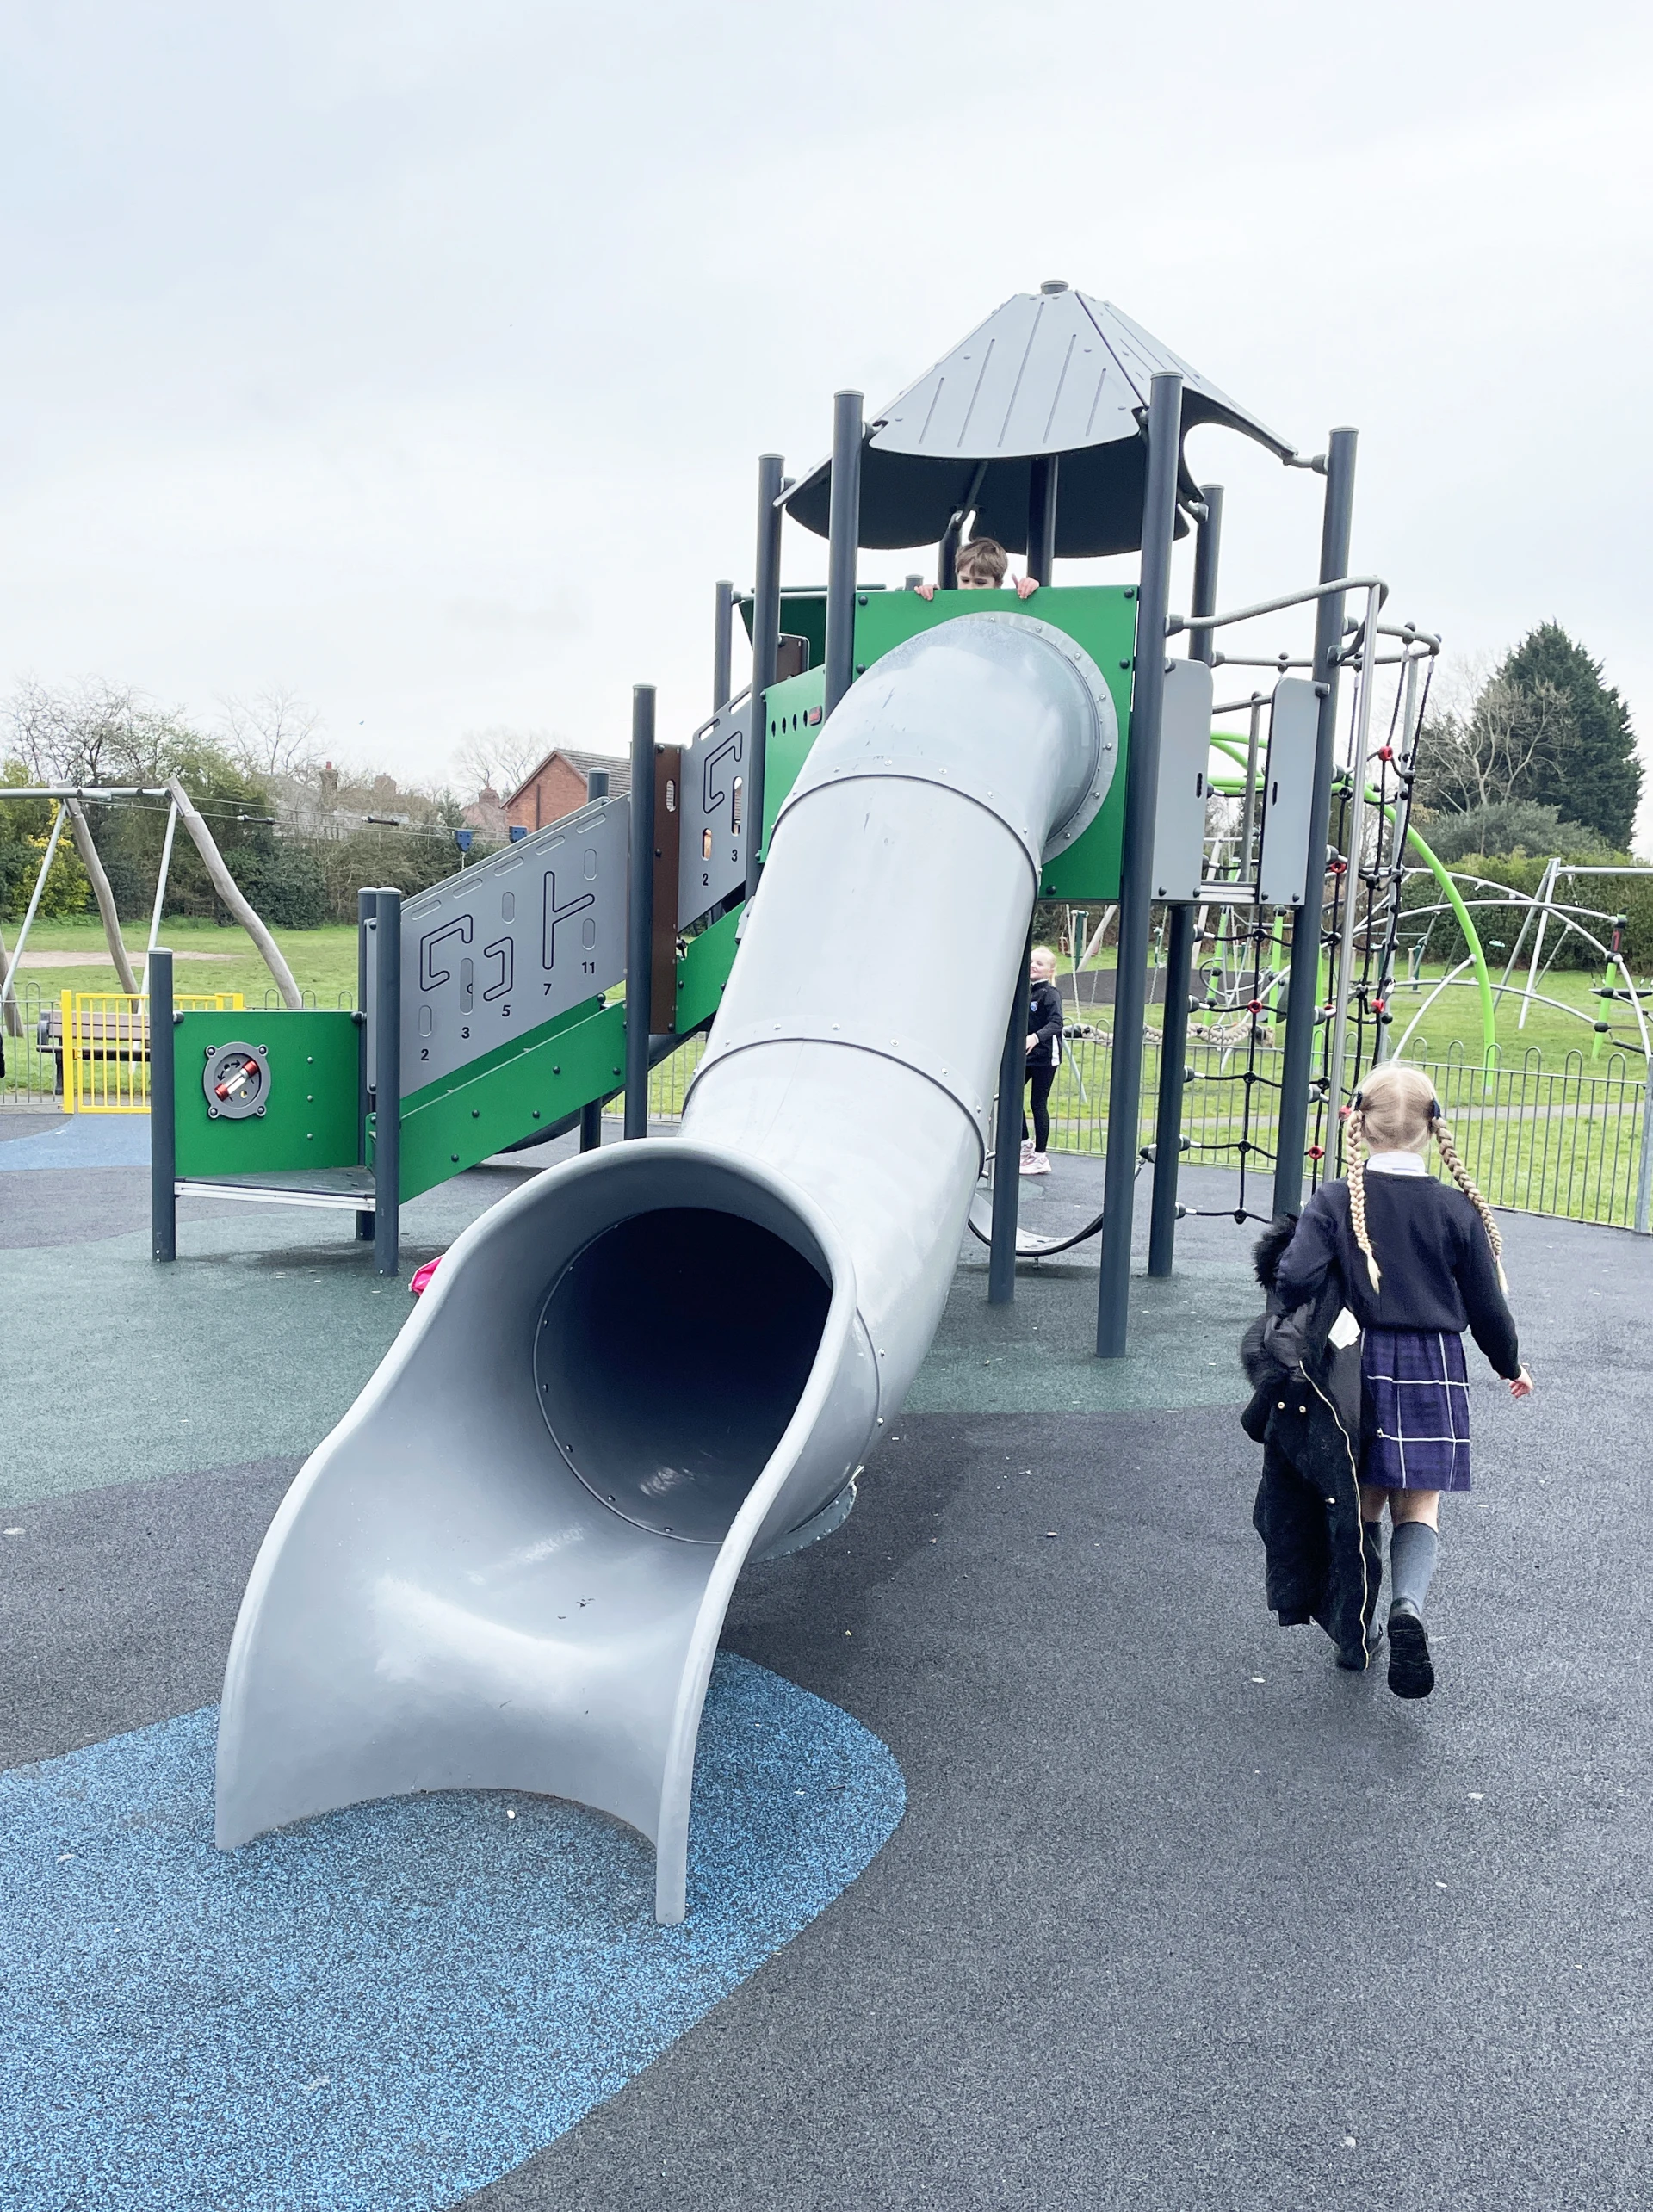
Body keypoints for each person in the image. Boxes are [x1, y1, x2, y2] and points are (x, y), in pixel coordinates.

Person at [1269, 1060, 1533, 1700]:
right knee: (1420, 1504)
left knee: (1360, 1500)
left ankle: (1356, 1634)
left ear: (1359, 1123)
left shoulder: (1333, 1199)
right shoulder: (1454, 1207)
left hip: (1355, 1364)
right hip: (1434, 1367)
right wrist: (1510, 1364)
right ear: (1429, 1129)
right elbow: (1487, 1308)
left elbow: (1292, 1279)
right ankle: (1407, 1606)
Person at [1020, 945, 1063, 1176]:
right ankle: (1025, 1144)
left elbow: (1057, 1023)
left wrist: (1035, 1038)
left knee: (1038, 1103)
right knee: (1012, 1096)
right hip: (1028, 1056)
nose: (1033, 966)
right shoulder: (1027, 991)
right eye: (1031, 962)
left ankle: (1040, 1156)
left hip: (1046, 1056)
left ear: (1050, 970)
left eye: (1039, 963)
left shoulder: (1050, 994)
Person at [913, 536, 1040, 601]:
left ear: (997, 584)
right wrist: (931, 596)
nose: (970, 588)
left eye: (980, 582)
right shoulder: (951, 606)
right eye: (965, 580)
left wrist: (1029, 588)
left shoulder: (1005, 611)